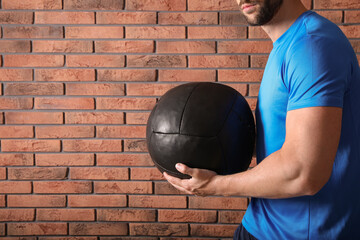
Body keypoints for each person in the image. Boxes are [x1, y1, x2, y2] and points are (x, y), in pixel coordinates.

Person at [163, 0, 360, 239]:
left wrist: (214, 185)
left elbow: (304, 173)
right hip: (263, 221)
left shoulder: (311, 46)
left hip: (299, 233)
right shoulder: (288, 45)